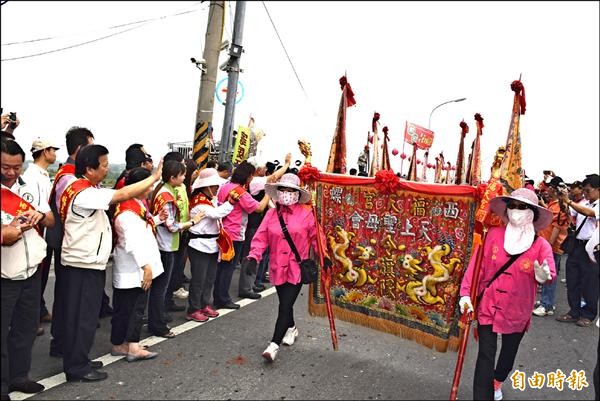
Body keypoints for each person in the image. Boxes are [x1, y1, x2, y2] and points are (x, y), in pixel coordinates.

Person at [59, 144, 163, 382]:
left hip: (88, 263)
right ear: (89, 168)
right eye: (104, 166)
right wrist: (154, 177)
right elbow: (121, 195)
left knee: (84, 316)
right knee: (82, 319)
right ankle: (77, 367)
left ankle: (80, 359)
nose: (107, 170)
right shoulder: (83, 192)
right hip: (82, 265)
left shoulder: (86, 188)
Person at [458, 187, 556, 401]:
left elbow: (550, 273)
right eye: (512, 206)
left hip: (517, 310)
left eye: (522, 207)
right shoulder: (493, 235)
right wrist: (465, 294)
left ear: (532, 212)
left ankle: (498, 380)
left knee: (508, 352)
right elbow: (476, 267)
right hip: (488, 304)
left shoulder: (541, 245)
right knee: (485, 355)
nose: (516, 211)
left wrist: (543, 277)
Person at [242, 173, 330, 362]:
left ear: (298, 194)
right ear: (278, 192)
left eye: (291, 190)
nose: (287, 194)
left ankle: (273, 345)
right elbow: (261, 237)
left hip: (297, 267)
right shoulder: (271, 214)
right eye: (283, 190)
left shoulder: (307, 214)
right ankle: (291, 328)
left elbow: (317, 237)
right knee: (285, 303)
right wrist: (253, 257)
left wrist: (325, 257)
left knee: (285, 305)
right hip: (277, 267)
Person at [1, 138, 53, 398]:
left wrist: (39, 216)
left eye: (16, 167)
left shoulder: (29, 185)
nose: (11, 173)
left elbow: (51, 219)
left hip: (32, 270)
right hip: (4, 275)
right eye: (5, 167)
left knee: (25, 328)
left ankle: (19, 376)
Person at [46, 126, 95, 359]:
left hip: (70, 242)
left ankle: (65, 341)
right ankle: (63, 343)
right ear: (80, 149)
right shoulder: (68, 176)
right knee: (68, 296)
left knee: (68, 295)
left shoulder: (71, 173)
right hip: (69, 244)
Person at [110, 167, 163, 362]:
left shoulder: (133, 206)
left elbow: (142, 229)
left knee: (124, 308)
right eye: (148, 185)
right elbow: (133, 242)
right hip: (135, 269)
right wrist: (146, 267)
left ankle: (118, 344)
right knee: (135, 307)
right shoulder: (128, 212)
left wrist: (157, 219)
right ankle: (133, 346)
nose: (150, 190)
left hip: (131, 268)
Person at [149, 160, 204, 338]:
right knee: (161, 288)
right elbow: (171, 226)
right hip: (166, 245)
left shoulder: (164, 189)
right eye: (182, 174)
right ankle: (158, 325)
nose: (184, 176)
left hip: (162, 243)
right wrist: (192, 222)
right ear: (173, 177)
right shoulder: (167, 196)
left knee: (160, 287)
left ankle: (156, 320)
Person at [214, 161, 270, 307]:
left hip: (222, 229)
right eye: (251, 176)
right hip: (234, 232)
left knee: (221, 267)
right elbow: (259, 208)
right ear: (248, 176)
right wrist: (268, 195)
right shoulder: (240, 192)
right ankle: (223, 299)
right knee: (228, 267)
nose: (252, 179)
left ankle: (218, 296)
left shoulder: (225, 186)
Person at [186, 168, 237, 322]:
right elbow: (216, 214)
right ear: (205, 186)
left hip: (212, 243)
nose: (217, 188)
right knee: (198, 279)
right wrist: (231, 203)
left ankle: (205, 304)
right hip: (199, 244)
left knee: (209, 278)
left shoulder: (210, 199)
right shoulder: (198, 202)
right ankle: (193, 308)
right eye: (214, 185)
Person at [20, 138, 59, 332]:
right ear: (45, 151)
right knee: (35, 276)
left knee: (41, 276)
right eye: (53, 150)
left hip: (45, 232)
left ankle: (39, 310)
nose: (55, 154)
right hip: (37, 232)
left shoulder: (42, 174)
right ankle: (30, 318)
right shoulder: (32, 177)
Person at [556, 173, 599, 327]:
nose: (586, 194)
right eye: (585, 191)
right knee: (572, 279)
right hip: (578, 246)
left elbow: (589, 213)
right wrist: (563, 201)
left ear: (598, 189)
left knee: (590, 283)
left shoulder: (595, 205)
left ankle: (589, 314)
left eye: (588, 190)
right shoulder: (584, 202)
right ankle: (574, 311)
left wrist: (569, 202)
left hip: (592, 248)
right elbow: (569, 212)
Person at [532, 176, 570, 316]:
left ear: (554, 189)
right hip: (547, 245)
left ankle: (546, 305)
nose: (547, 189)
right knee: (545, 274)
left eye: (549, 187)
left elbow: (557, 226)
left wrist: (546, 247)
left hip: (552, 247)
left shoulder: (560, 205)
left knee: (549, 276)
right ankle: (546, 302)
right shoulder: (553, 203)